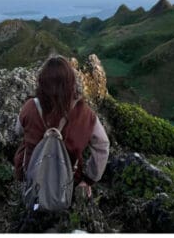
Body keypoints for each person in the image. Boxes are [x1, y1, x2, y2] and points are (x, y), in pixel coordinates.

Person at [14, 56, 109, 199]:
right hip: (68, 181)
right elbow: (102, 144)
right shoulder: (85, 114)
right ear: (71, 83)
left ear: (42, 82)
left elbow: (18, 131)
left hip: (32, 175)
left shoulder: (30, 107)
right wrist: (89, 179)